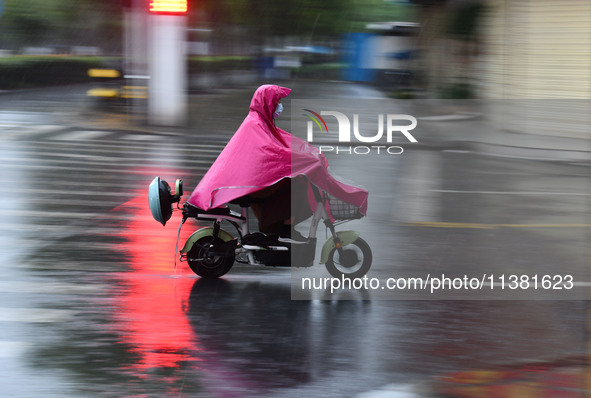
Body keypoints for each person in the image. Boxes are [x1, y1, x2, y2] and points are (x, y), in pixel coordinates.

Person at [186, 84, 368, 244]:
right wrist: (305, 160)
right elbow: (274, 152)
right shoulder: (256, 124)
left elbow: (284, 143)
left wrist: (309, 154)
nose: (279, 106)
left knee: (294, 184)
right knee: (299, 185)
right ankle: (284, 230)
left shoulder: (260, 122)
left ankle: (278, 229)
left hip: (250, 181)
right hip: (249, 184)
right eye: (277, 102)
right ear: (267, 102)